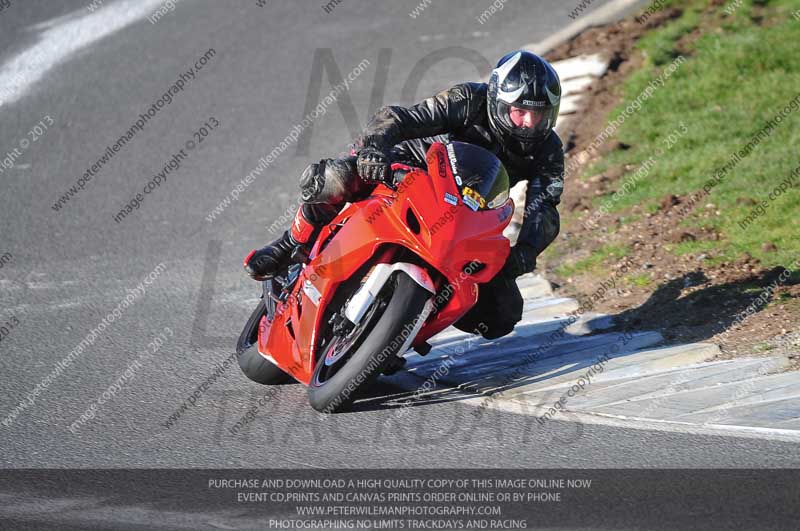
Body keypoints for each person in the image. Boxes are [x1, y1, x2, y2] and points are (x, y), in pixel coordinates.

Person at [244, 50, 564, 339]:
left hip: (470, 216)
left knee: (502, 316)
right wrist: (375, 149)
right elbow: (402, 118)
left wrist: (526, 250)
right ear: (497, 100)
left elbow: (545, 204)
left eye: (539, 114)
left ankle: (401, 335)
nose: (529, 123)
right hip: (415, 170)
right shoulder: (468, 99)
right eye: (520, 111)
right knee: (333, 178)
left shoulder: (548, 149)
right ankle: (290, 244)